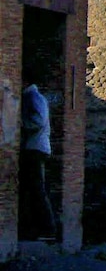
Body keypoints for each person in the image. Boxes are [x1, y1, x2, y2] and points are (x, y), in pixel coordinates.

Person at [20, 83, 56, 240]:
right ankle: (37, 228)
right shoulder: (34, 97)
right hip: (36, 147)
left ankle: (46, 229)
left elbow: (38, 121)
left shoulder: (32, 97)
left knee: (36, 189)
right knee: (32, 189)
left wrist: (20, 124)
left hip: (35, 148)